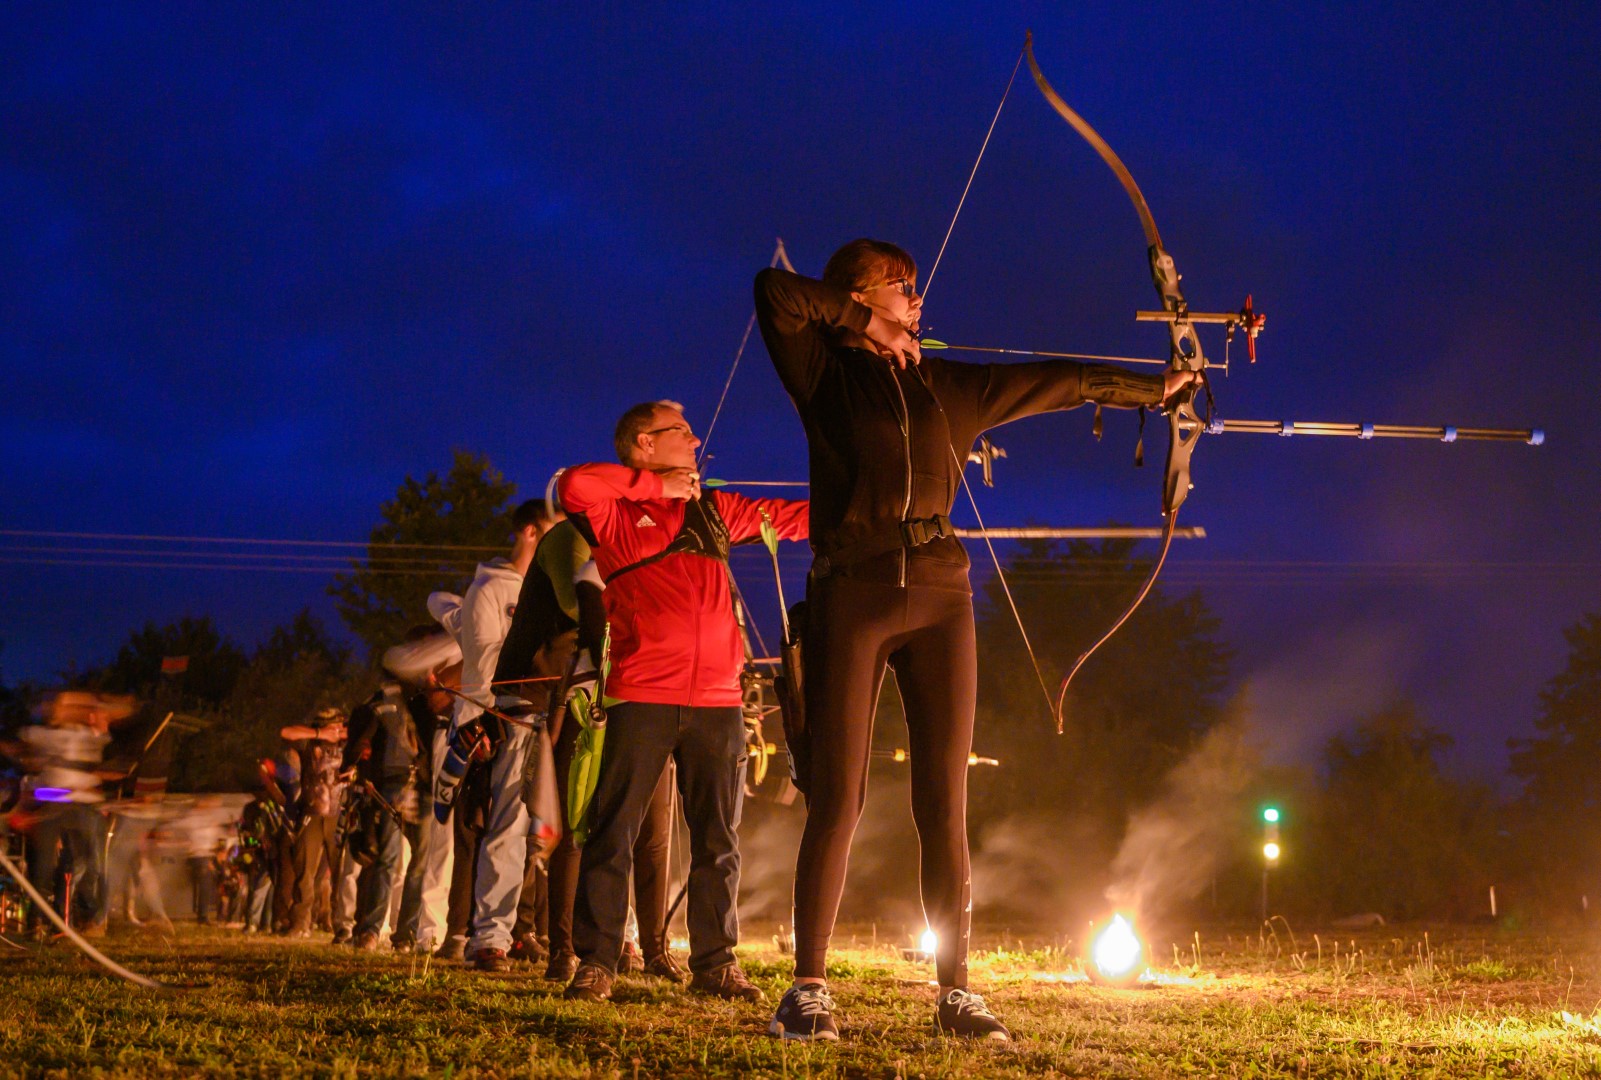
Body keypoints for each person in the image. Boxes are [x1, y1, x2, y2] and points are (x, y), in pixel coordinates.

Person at [753, 239, 1195, 1041]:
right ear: (860, 292)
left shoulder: (948, 384)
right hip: (852, 588)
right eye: (901, 285)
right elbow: (775, 291)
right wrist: (865, 327)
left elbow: (1060, 380)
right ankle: (807, 988)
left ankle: (956, 992)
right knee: (837, 796)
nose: (916, 297)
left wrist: (1155, 389)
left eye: (914, 286)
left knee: (943, 802)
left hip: (940, 593)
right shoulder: (822, 372)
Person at [557, 400, 808, 1003]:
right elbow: (571, 484)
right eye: (682, 432)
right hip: (641, 691)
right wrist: (655, 487)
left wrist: (880, 499)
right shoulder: (615, 512)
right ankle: (597, 962)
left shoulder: (714, 509)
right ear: (644, 443)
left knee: (719, 838)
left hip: (719, 697)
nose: (696, 442)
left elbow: (795, 518)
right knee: (613, 831)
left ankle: (716, 963)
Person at [491, 507, 682, 983]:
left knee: (653, 827)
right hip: (585, 691)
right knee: (577, 821)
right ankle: (566, 949)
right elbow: (584, 606)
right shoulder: (570, 538)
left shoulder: (650, 532)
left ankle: (653, 947)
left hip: (648, 685)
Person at [449, 498, 558, 971]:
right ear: (531, 531)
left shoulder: (557, 587)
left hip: (556, 713)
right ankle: (489, 936)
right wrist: (478, 722)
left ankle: (535, 932)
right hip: (510, 717)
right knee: (507, 825)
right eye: (555, 530)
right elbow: (482, 663)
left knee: (552, 832)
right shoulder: (490, 589)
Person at [280, 708, 347, 937]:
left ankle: (342, 923)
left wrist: (340, 734)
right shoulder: (310, 742)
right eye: (332, 725)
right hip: (312, 811)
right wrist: (319, 733)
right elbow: (286, 732)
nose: (336, 729)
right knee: (304, 870)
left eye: (339, 724)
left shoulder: (348, 743)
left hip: (339, 812)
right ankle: (300, 923)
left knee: (341, 871)